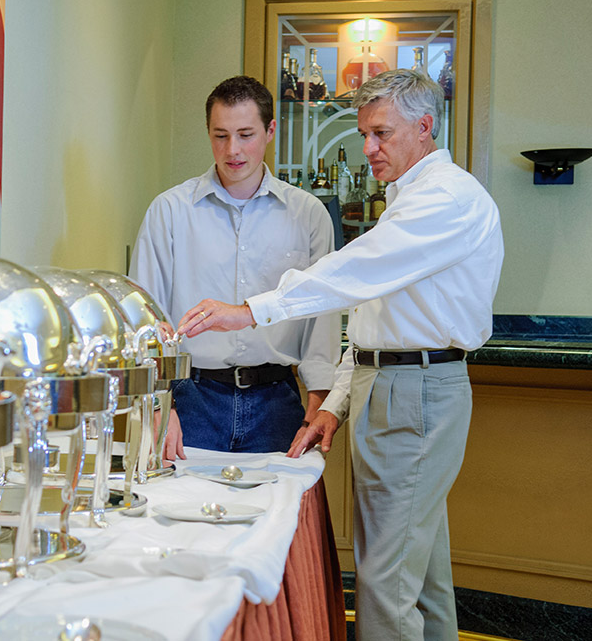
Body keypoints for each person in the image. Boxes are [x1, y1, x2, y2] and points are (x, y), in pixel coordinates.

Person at [177, 69, 504, 641]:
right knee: (420, 577)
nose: (368, 149)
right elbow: (376, 326)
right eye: (364, 134)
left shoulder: (445, 199)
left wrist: (249, 310)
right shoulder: (408, 199)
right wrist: (337, 403)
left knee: (385, 584)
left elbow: (356, 273)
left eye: (381, 133)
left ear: (424, 128)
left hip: (417, 396)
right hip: (398, 387)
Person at [129, 75, 339, 461]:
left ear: (270, 130)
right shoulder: (169, 211)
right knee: (183, 515)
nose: (233, 150)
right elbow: (145, 315)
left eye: (246, 134)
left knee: (281, 516)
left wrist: (320, 398)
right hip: (191, 400)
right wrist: (159, 403)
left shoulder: (308, 215)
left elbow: (320, 318)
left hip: (277, 401)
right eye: (220, 135)